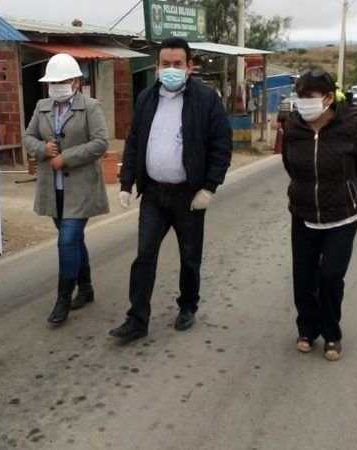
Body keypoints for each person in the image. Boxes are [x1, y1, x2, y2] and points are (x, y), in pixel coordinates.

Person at [109, 37, 232, 341]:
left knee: (190, 257)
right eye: (166, 64)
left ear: (190, 66)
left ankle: (187, 305)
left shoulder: (206, 100)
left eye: (178, 64)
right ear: (157, 66)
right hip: (153, 195)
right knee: (144, 256)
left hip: (188, 197)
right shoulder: (146, 99)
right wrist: (126, 184)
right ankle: (137, 319)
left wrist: (209, 187)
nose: (172, 69)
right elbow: (135, 140)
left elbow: (222, 146)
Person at [281, 69, 357, 361]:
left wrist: (348, 191)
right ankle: (307, 329)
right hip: (304, 212)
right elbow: (290, 165)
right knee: (304, 276)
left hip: (342, 216)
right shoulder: (293, 128)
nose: (302, 102)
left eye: (308, 96)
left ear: (326, 99)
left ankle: (332, 333)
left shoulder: (352, 127)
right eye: (299, 96)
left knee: (330, 275)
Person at [23, 53, 109, 324]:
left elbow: (100, 142)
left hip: (81, 187)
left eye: (62, 81)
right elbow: (28, 137)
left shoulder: (91, 107)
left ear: (74, 81)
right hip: (53, 188)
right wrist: (42, 149)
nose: (57, 86)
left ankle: (62, 298)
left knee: (67, 241)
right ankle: (86, 288)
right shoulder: (42, 106)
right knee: (74, 240)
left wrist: (66, 157)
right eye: (53, 81)